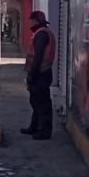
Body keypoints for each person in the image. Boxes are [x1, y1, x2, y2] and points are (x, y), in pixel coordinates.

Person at [21, 10, 55, 140]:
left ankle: (44, 131)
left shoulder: (41, 34)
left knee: (42, 103)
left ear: (36, 20)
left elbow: (38, 56)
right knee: (36, 101)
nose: (31, 22)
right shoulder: (44, 32)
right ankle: (34, 127)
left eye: (32, 19)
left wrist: (31, 74)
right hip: (43, 72)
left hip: (41, 73)